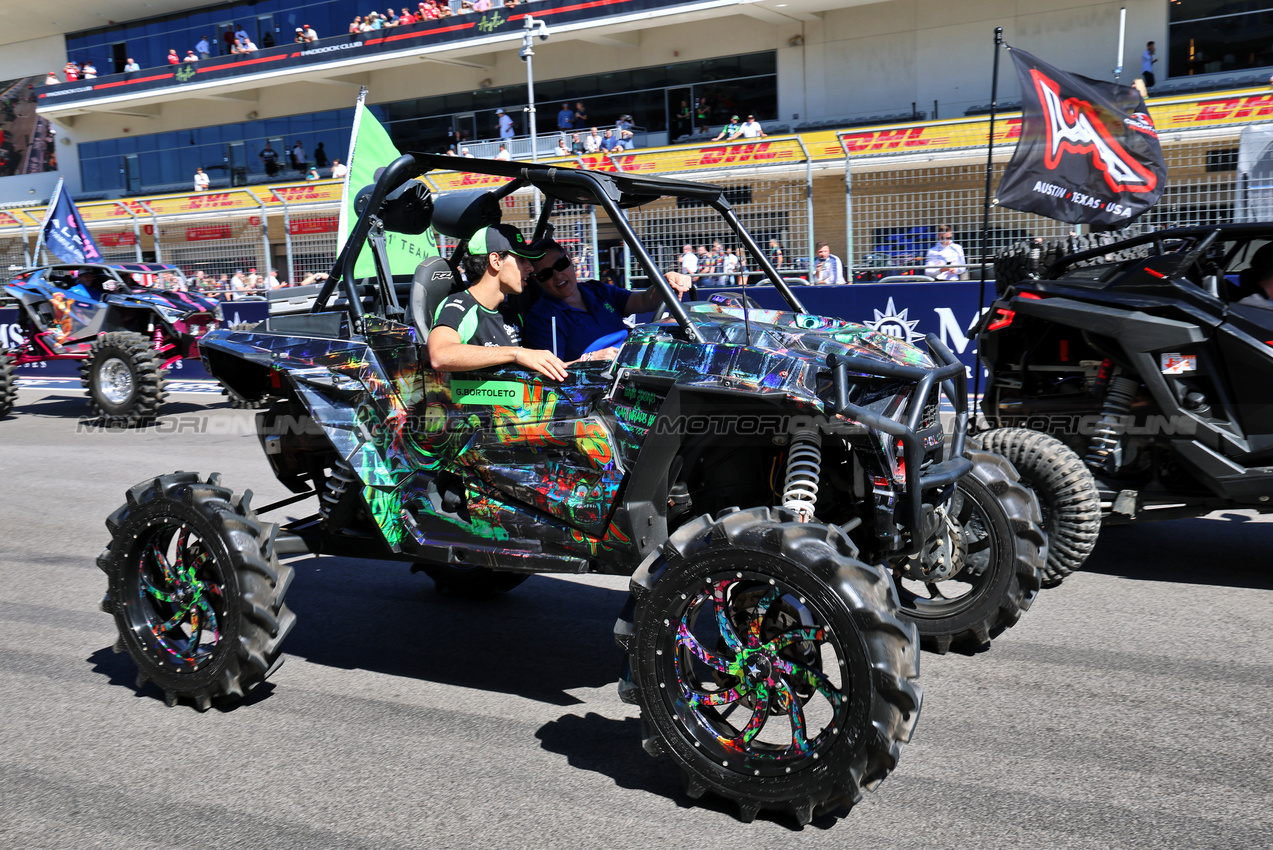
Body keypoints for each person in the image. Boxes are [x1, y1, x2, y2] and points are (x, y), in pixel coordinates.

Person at [427, 224, 568, 381]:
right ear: (496, 261)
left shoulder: (511, 316)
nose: (530, 268)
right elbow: (440, 355)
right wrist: (515, 354)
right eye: (521, 260)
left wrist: (588, 359)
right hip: (470, 405)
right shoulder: (458, 306)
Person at [524, 239, 693, 362]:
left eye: (560, 264)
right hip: (604, 386)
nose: (557, 276)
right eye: (546, 274)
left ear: (569, 259)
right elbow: (551, 374)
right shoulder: (543, 317)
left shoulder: (596, 290)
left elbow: (643, 301)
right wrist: (589, 359)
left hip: (637, 362)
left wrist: (666, 280)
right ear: (537, 280)